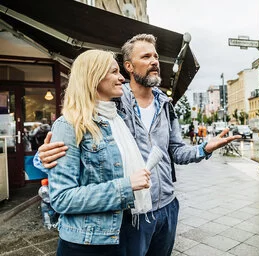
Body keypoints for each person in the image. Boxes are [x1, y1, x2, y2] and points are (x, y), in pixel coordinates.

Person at [35, 34, 240, 256]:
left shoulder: (165, 105)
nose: (154, 61)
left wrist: (204, 148)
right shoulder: (113, 104)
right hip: (132, 212)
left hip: (167, 206)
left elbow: (175, 151)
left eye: (156, 56)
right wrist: (44, 155)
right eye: (146, 56)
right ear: (129, 66)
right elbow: (80, 129)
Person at [42, 49, 152, 255]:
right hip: (88, 243)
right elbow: (62, 198)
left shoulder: (116, 120)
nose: (121, 78)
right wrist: (126, 186)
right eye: (114, 71)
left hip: (123, 229)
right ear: (93, 77)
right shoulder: (69, 125)